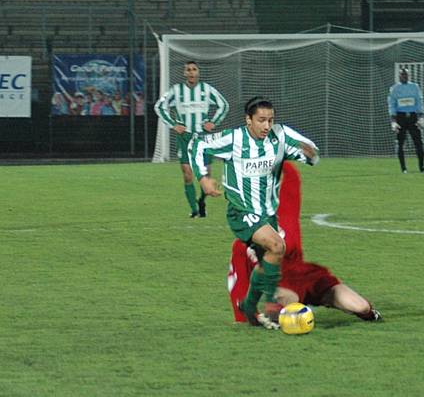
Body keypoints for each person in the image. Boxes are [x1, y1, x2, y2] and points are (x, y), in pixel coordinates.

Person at [190, 97, 320, 326]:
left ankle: (249, 307)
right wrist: (203, 179)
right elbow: (197, 145)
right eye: (261, 120)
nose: (267, 126)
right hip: (241, 211)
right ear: (248, 119)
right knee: (277, 246)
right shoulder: (234, 138)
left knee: (267, 262)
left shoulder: (280, 136)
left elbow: (310, 153)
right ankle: (271, 306)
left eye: (270, 120)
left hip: (268, 214)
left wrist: (310, 154)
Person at [227, 162, 382, 328]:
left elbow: (292, 178)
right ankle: (284, 315)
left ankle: (369, 315)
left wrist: (273, 159)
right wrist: (245, 317)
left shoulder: (285, 213)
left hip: (308, 278)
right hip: (282, 288)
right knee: (286, 300)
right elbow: (237, 282)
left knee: (361, 306)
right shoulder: (242, 244)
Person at [154, 60, 230, 218]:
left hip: (203, 138)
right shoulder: (176, 90)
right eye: (188, 69)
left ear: (198, 72)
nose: (191, 72)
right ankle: (194, 209)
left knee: (206, 175)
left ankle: (202, 201)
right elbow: (159, 106)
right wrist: (173, 124)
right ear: (184, 73)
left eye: (194, 69)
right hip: (185, 136)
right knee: (188, 173)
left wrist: (213, 122)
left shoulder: (206, 89)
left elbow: (224, 105)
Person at [388, 68, 424, 173]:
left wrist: (421, 117)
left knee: (418, 142)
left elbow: (419, 101)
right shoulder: (394, 89)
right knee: (400, 143)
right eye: (402, 75)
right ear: (399, 76)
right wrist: (393, 120)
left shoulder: (414, 87)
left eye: (406, 75)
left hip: (413, 117)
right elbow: (392, 104)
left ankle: (422, 167)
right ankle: (403, 168)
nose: (404, 77)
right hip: (401, 118)